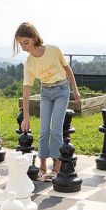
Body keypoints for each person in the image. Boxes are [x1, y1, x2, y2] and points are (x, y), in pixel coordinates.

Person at [14, 22, 81, 180]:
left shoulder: (53, 50)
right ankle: (42, 166)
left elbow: (67, 69)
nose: (24, 47)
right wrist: (25, 116)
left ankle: (56, 167)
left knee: (56, 130)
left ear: (34, 38)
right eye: (20, 44)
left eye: (26, 42)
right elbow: (26, 90)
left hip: (61, 91)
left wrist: (75, 89)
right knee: (44, 131)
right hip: (46, 92)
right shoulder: (29, 63)